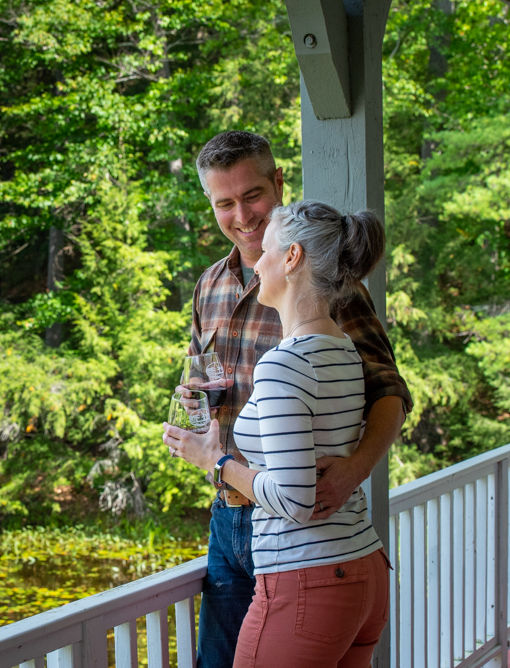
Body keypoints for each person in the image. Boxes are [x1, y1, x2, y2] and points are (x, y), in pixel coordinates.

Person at [161, 131, 412, 666]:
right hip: (230, 521)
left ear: (278, 183)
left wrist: (356, 468)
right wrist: (195, 401)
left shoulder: (331, 285)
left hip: (304, 529)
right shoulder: (210, 286)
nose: (242, 216)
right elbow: (207, 382)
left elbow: (388, 390)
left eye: (251, 195)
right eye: (224, 203)